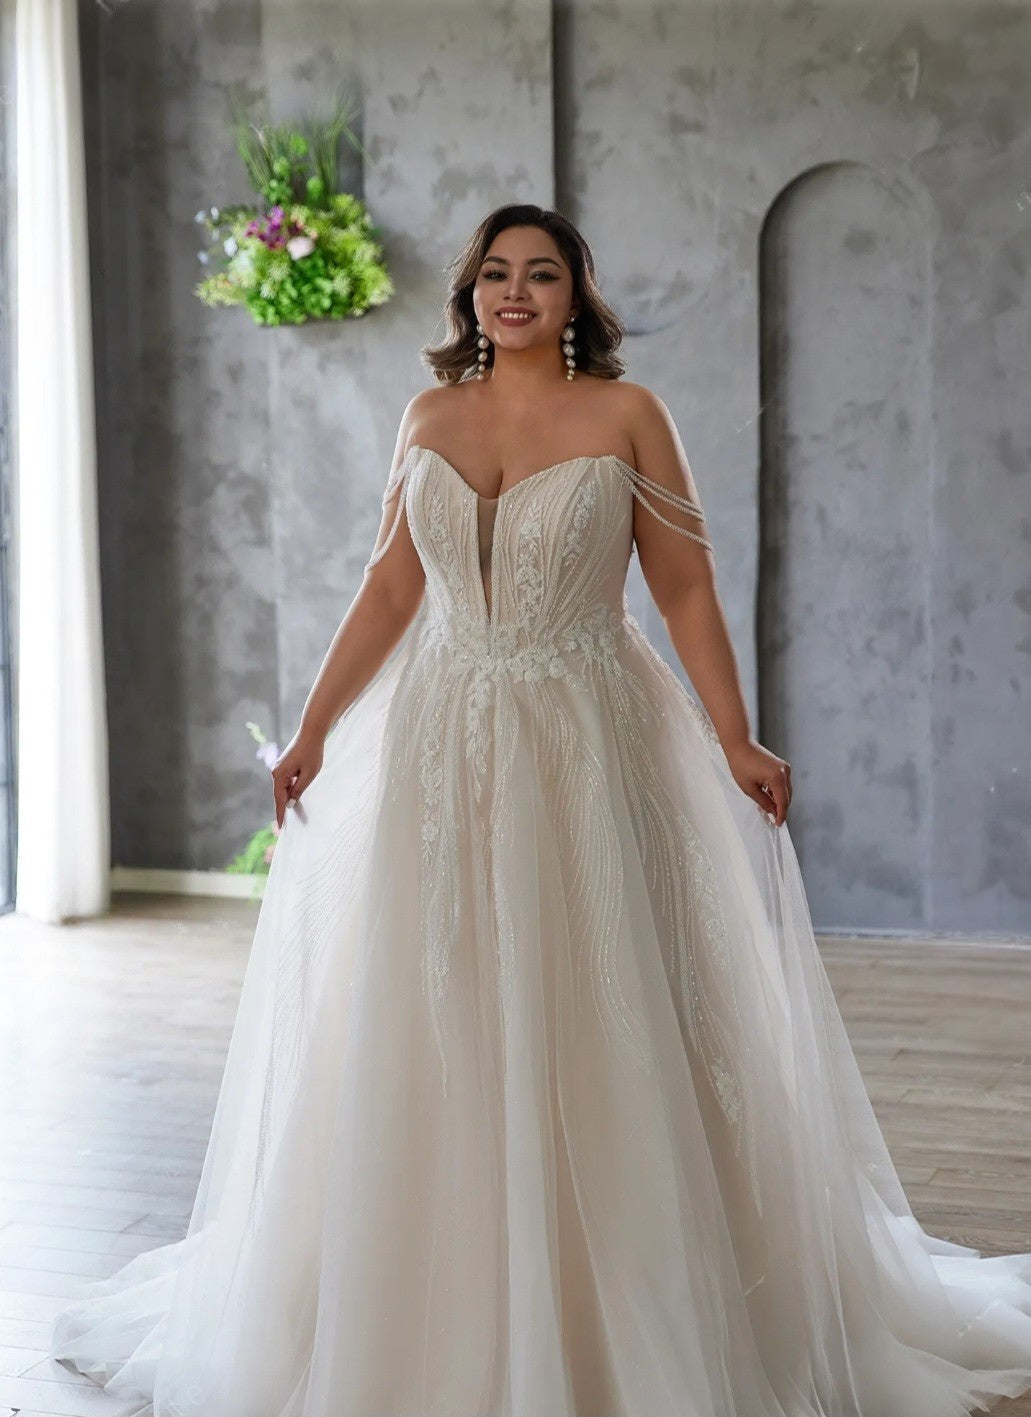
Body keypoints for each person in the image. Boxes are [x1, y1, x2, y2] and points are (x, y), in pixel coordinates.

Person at [50, 203, 1031, 1417]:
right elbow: (389, 584)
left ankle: (612, 1294)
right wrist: (310, 728)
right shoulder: (427, 416)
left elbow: (682, 583)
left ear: (576, 297)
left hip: (583, 729)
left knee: (592, 987)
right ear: (469, 295)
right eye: (496, 274)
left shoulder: (627, 414)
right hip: (439, 733)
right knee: (434, 994)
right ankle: (430, 1288)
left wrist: (733, 733)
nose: (515, 291)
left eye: (543, 274)